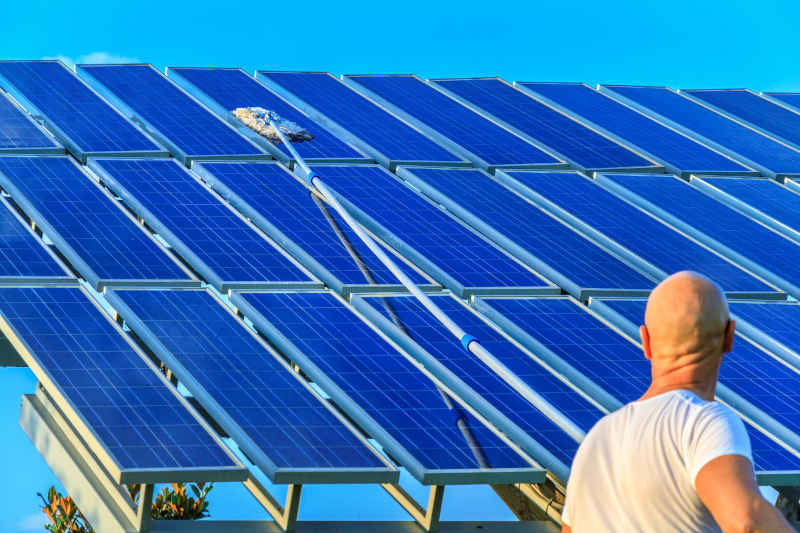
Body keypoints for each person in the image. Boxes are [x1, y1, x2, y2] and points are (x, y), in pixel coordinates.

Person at [561, 271, 793, 532]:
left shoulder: (595, 442)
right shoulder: (705, 423)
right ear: (730, 336)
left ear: (645, 341)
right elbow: (747, 521)